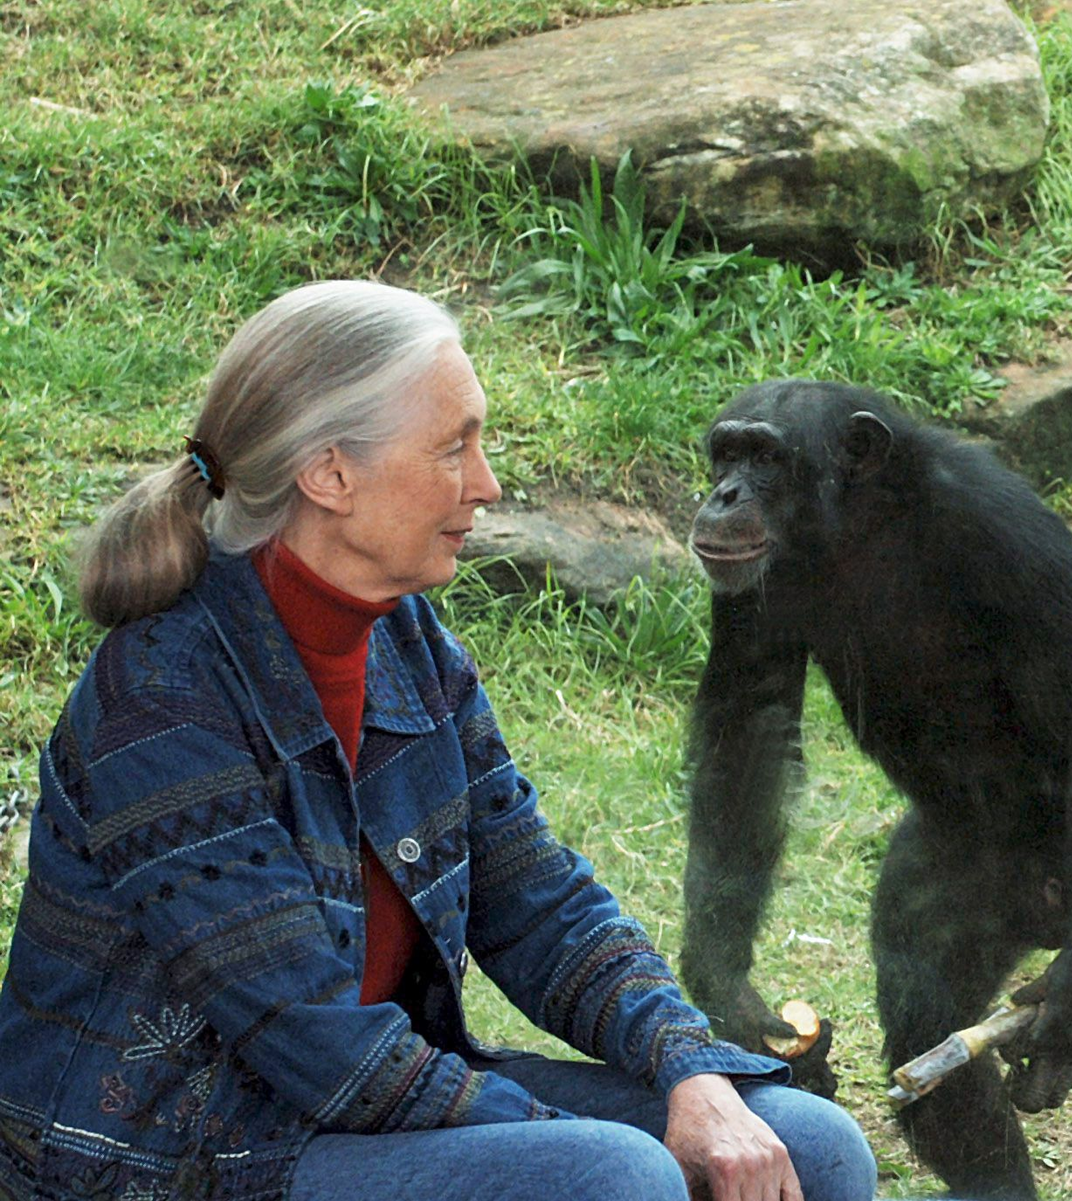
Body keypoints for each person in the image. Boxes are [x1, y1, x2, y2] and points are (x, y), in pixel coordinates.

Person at [0, 281, 876, 1201]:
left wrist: (690, 1069)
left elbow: (540, 904)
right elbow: (318, 1041)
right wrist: (613, 1140)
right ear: (330, 473)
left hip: (341, 1121)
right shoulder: (164, 694)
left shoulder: (408, 642)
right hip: (167, 1156)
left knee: (811, 1144)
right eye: (454, 445)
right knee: (612, 1179)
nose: (488, 483)